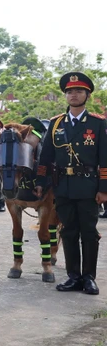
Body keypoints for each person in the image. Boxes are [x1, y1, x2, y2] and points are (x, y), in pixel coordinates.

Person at [36, 72, 107, 295]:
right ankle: (73, 276)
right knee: (67, 232)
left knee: (88, 233)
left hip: (88, 187)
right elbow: (45, 157)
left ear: (87, 95)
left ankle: (88, 277)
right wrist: (40, 182)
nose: (73, 95)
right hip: (63, 186)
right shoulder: (56, 124)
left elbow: (105, 158)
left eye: (78, 91)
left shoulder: (97, 124)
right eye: (69, 92)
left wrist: (104, 189)